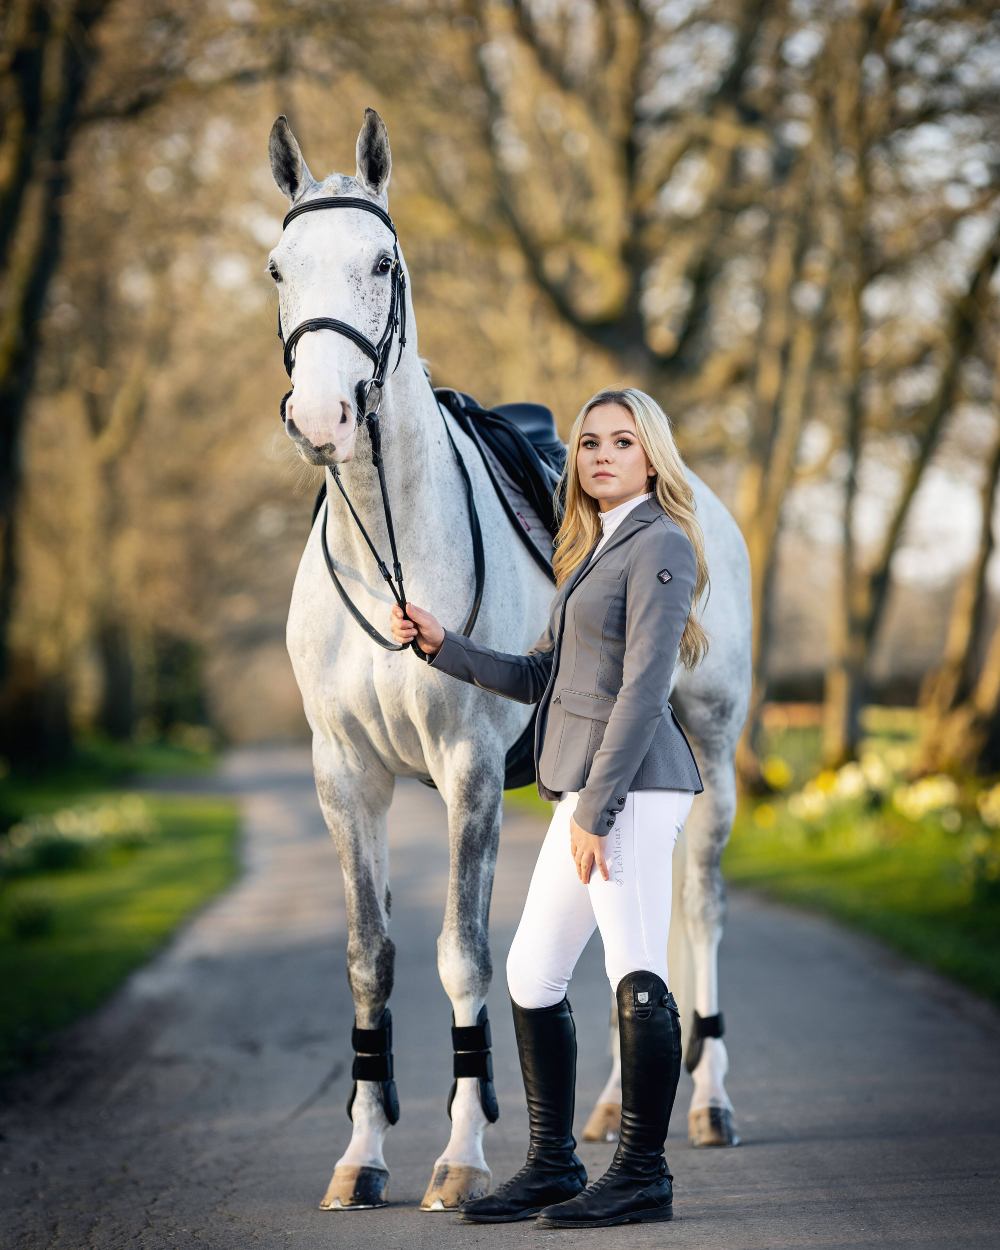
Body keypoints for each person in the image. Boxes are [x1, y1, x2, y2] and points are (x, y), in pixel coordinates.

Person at [389, 386, 709, 1228]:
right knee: (533, 975)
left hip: (633, 788)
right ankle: (556, 1164)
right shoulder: (592, 550)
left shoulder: (661, 544)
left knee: (637, 973)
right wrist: (441, 645)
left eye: (622, 442)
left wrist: (596, 812)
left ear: (651, 457)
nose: (601, 455)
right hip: (592, 791)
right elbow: (541, 679)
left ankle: (643, 1174)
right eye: (590, 442)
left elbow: (644, 691)